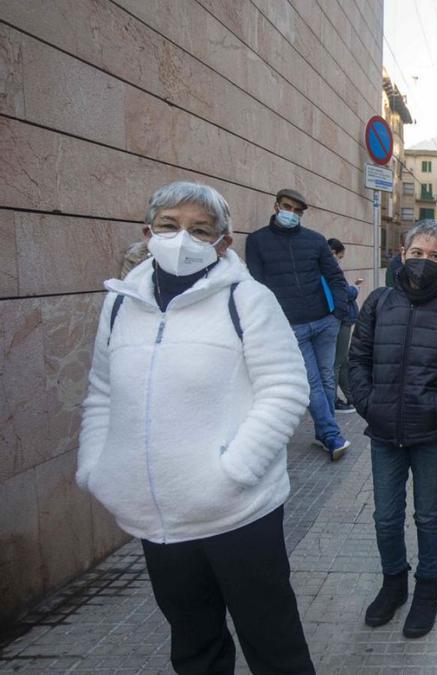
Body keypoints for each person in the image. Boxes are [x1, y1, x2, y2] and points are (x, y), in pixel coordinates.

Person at [77, 181, 314, 674]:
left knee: (273, 645)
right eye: (169, 226)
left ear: (223, 242)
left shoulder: (248, 299)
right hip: (160, 522)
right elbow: (102, 390)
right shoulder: (120, 303)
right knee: (194, 648)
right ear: (148, 233)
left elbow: (286, 388)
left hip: (238, 514)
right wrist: (94, 468)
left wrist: (234, 471)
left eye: (199, 230)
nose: (181, 238)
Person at [347, 220, 437, 637]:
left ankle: (428, 588)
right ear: (402, 255)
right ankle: (394, 584)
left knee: (428, 515)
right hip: (384, 432)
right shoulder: (378, 302)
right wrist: (369, 405)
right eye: (416, 253)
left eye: (434, 256)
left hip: (434, 434)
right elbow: (356, 361)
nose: (423, 262)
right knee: (386, 517)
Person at [245, 189, 351, 461]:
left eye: (296, 210)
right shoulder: (257, 241)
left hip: (325, 322)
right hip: (292, 327)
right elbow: (255, 285)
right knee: (313, 382)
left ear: (302, 214)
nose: (290, 213)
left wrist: (337, 312)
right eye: (286, 207)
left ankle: (325, 433)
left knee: (326, 377)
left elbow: (335, 277)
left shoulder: (315, 241)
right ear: (276, 205)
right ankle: (331, 435)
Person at [326, 238, 362, 414]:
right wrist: (354, 289)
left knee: (342, 361)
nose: (340, 260)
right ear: (333, 253)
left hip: (343, 319)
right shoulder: (328, 269)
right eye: (340, 256)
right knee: (337, 362)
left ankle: (351, 397)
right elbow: (341, 292)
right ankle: (333, 401)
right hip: (340, 319)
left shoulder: (329, 268)